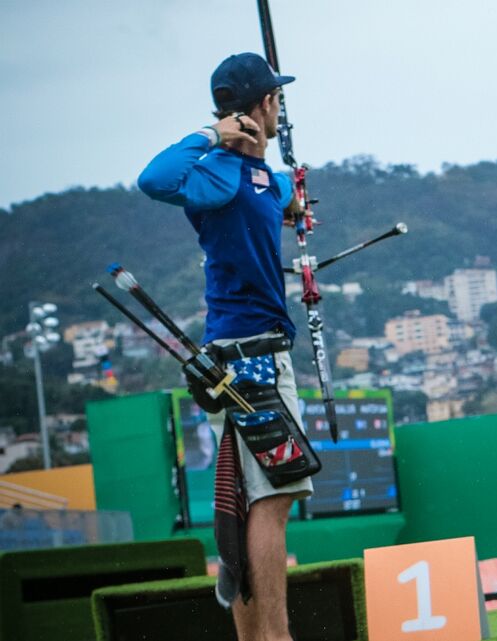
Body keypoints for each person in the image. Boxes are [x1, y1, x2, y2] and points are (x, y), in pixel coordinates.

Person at [138, 52, 316, 641]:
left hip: (247, 353)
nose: (281, 107)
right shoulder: (216, 172)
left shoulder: (263, 176)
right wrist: (211, 133)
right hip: (250, 357)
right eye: (277, 99)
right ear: (262, 105)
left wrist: (295, 202)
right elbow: (154, 179)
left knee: (247, 506)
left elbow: (280, 193)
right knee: (274, 499)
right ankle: (277, 636)